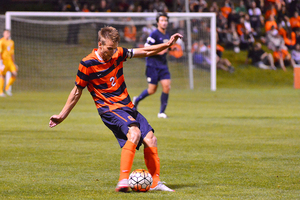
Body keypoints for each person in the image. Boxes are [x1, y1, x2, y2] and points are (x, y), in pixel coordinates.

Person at [49, 26, 182, 192]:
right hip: (109, 109)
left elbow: (146, 52)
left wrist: (167, 45)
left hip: (127, 106)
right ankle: (123, 180)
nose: (112, 53)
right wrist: (62, 116)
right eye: (109, 49)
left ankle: (155, 183)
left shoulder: (119, 53)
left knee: (151, 139)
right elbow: (76, 91)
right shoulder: (87, 63)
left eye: (114, 49)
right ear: (100, 44)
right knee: (134, 133)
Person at [133, 12, 172, 119]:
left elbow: (166, 48)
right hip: (152, 65)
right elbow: (146, 48)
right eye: (162, 20)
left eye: (165, 20)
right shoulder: (154, 34)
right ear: (158, 22)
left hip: (163, 65)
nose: (164, 23)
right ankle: (137, 99)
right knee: (151, 90)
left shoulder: (167, 35)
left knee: (167, 86)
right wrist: (160, 52)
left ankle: (161, 113)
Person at [0, 30, 18, 97]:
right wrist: (0, 63)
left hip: (10, 61)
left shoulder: (11, 42)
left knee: (14, 73)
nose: (7, 34)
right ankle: (1, 92)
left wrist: (14, 63)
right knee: (2, 76)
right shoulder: (1, 41)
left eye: (8, 33)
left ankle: (7, 88)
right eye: (6, 33)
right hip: (3, 61)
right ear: (3, 34)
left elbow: (12, 53)